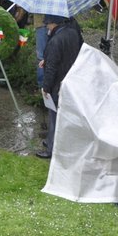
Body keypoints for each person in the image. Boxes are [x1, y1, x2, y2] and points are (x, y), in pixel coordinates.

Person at [39, 12, 84, 159]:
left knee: (54, 118)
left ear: (54, 24)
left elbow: (52, 68)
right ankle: (57, 144)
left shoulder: (55, 40)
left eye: (48, 24)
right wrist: (47, 60)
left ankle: (51, 149)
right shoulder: (73, 33)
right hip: (71, 81)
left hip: (58, 85)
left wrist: (45, 88)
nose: (47, 27)